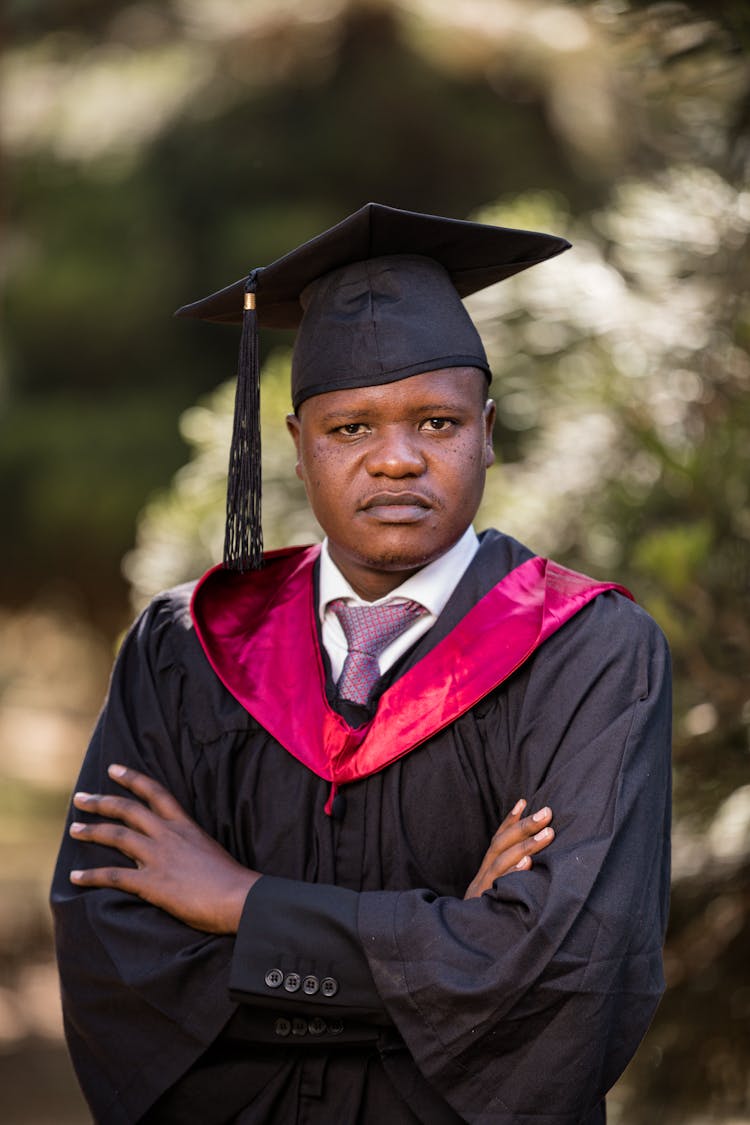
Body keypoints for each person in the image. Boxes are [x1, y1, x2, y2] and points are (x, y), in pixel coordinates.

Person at [51, 203, 672, 1125]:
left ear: (488, 432)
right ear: (297, 446)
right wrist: (443, 953)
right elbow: (116, 960)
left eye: (436, 421)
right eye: (351, 429)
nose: (396, 460)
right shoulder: (188, 646)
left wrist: (242, 903)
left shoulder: (586, 650)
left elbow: (567, 978)